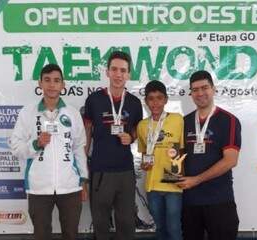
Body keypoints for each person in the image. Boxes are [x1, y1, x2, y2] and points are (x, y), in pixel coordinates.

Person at [11, 63, 88, 240]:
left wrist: (83, 180)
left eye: (56, 80)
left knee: (71, 234)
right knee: (41, 235)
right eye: (47, 80)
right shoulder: (28, 113)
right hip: (39, 188)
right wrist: (36, 144)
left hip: (70, 186)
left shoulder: (72, 114)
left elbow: (79, 148)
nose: (52, 85)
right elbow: (16, 147)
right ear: (40, 84)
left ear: (63, 85)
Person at [83, 51, 143, 240]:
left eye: (123, 70)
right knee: (100, 224)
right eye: (114, 69)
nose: (118, 74)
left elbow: (136, 131)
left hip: (125, 171)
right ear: (107, 72)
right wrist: (84, 166)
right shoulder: (94, 100)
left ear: (129, 75)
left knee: (126, 223)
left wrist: (131, 138)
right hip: (100, 170)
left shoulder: (134, 103)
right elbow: (87, 134)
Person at [176, 70, 241, 240]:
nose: (200, 93)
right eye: (195, 89)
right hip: (190, 203)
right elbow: (175, 156)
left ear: (213, 89)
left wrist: (196, 180)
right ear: (191, 94)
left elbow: (230, 161)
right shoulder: (184, 122)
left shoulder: (229, 120)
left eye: (204, 87)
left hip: (219, 201)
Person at [137, 80, 184, 240]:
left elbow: (183, 150)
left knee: (174, 228)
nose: (155, 102)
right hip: (152, 185)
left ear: (166, 100)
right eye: (151, 98)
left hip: (172, 182)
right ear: (146, 101)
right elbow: (144, 153)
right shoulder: (142, 125)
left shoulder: (177, 119)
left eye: (159, 98)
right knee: (160, 228)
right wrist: (144, 163)